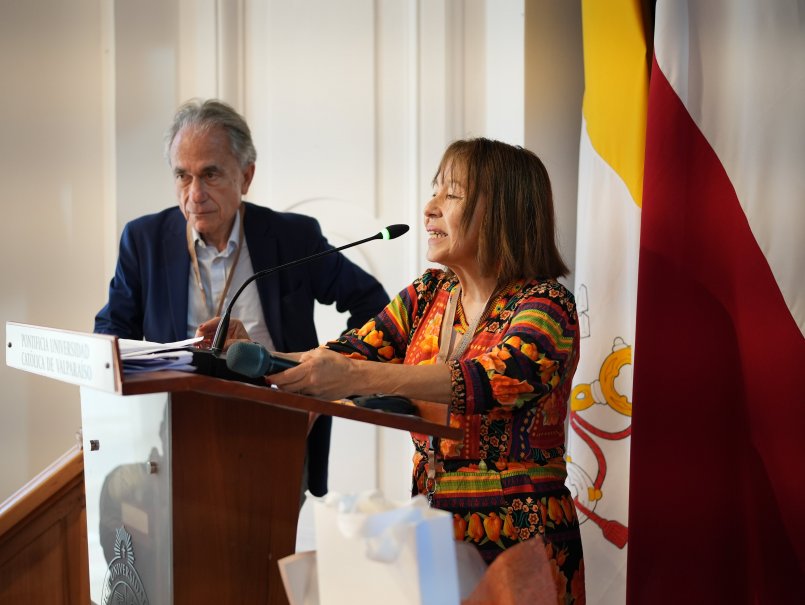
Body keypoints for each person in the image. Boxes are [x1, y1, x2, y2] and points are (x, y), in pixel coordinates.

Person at [271, 138, 585, 600]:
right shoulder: (427, 294)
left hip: (523, 542)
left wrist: (354, 377)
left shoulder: (547, 303)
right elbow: (344, 354)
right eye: (434, 191)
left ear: (503, 211)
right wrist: (248, 357)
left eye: (451, 194)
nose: (429, 208)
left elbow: (491, 378)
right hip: (433, 536)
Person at [94, 98, 390, 497]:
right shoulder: (144, 240)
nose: (195, 194)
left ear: (246, 177)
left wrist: (325, 372)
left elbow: (373, 305)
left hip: (275, 425)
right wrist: (107, 411)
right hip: (174, 430)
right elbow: (112, 330)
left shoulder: (293, 237)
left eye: (210, 174)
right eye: (183, 176)